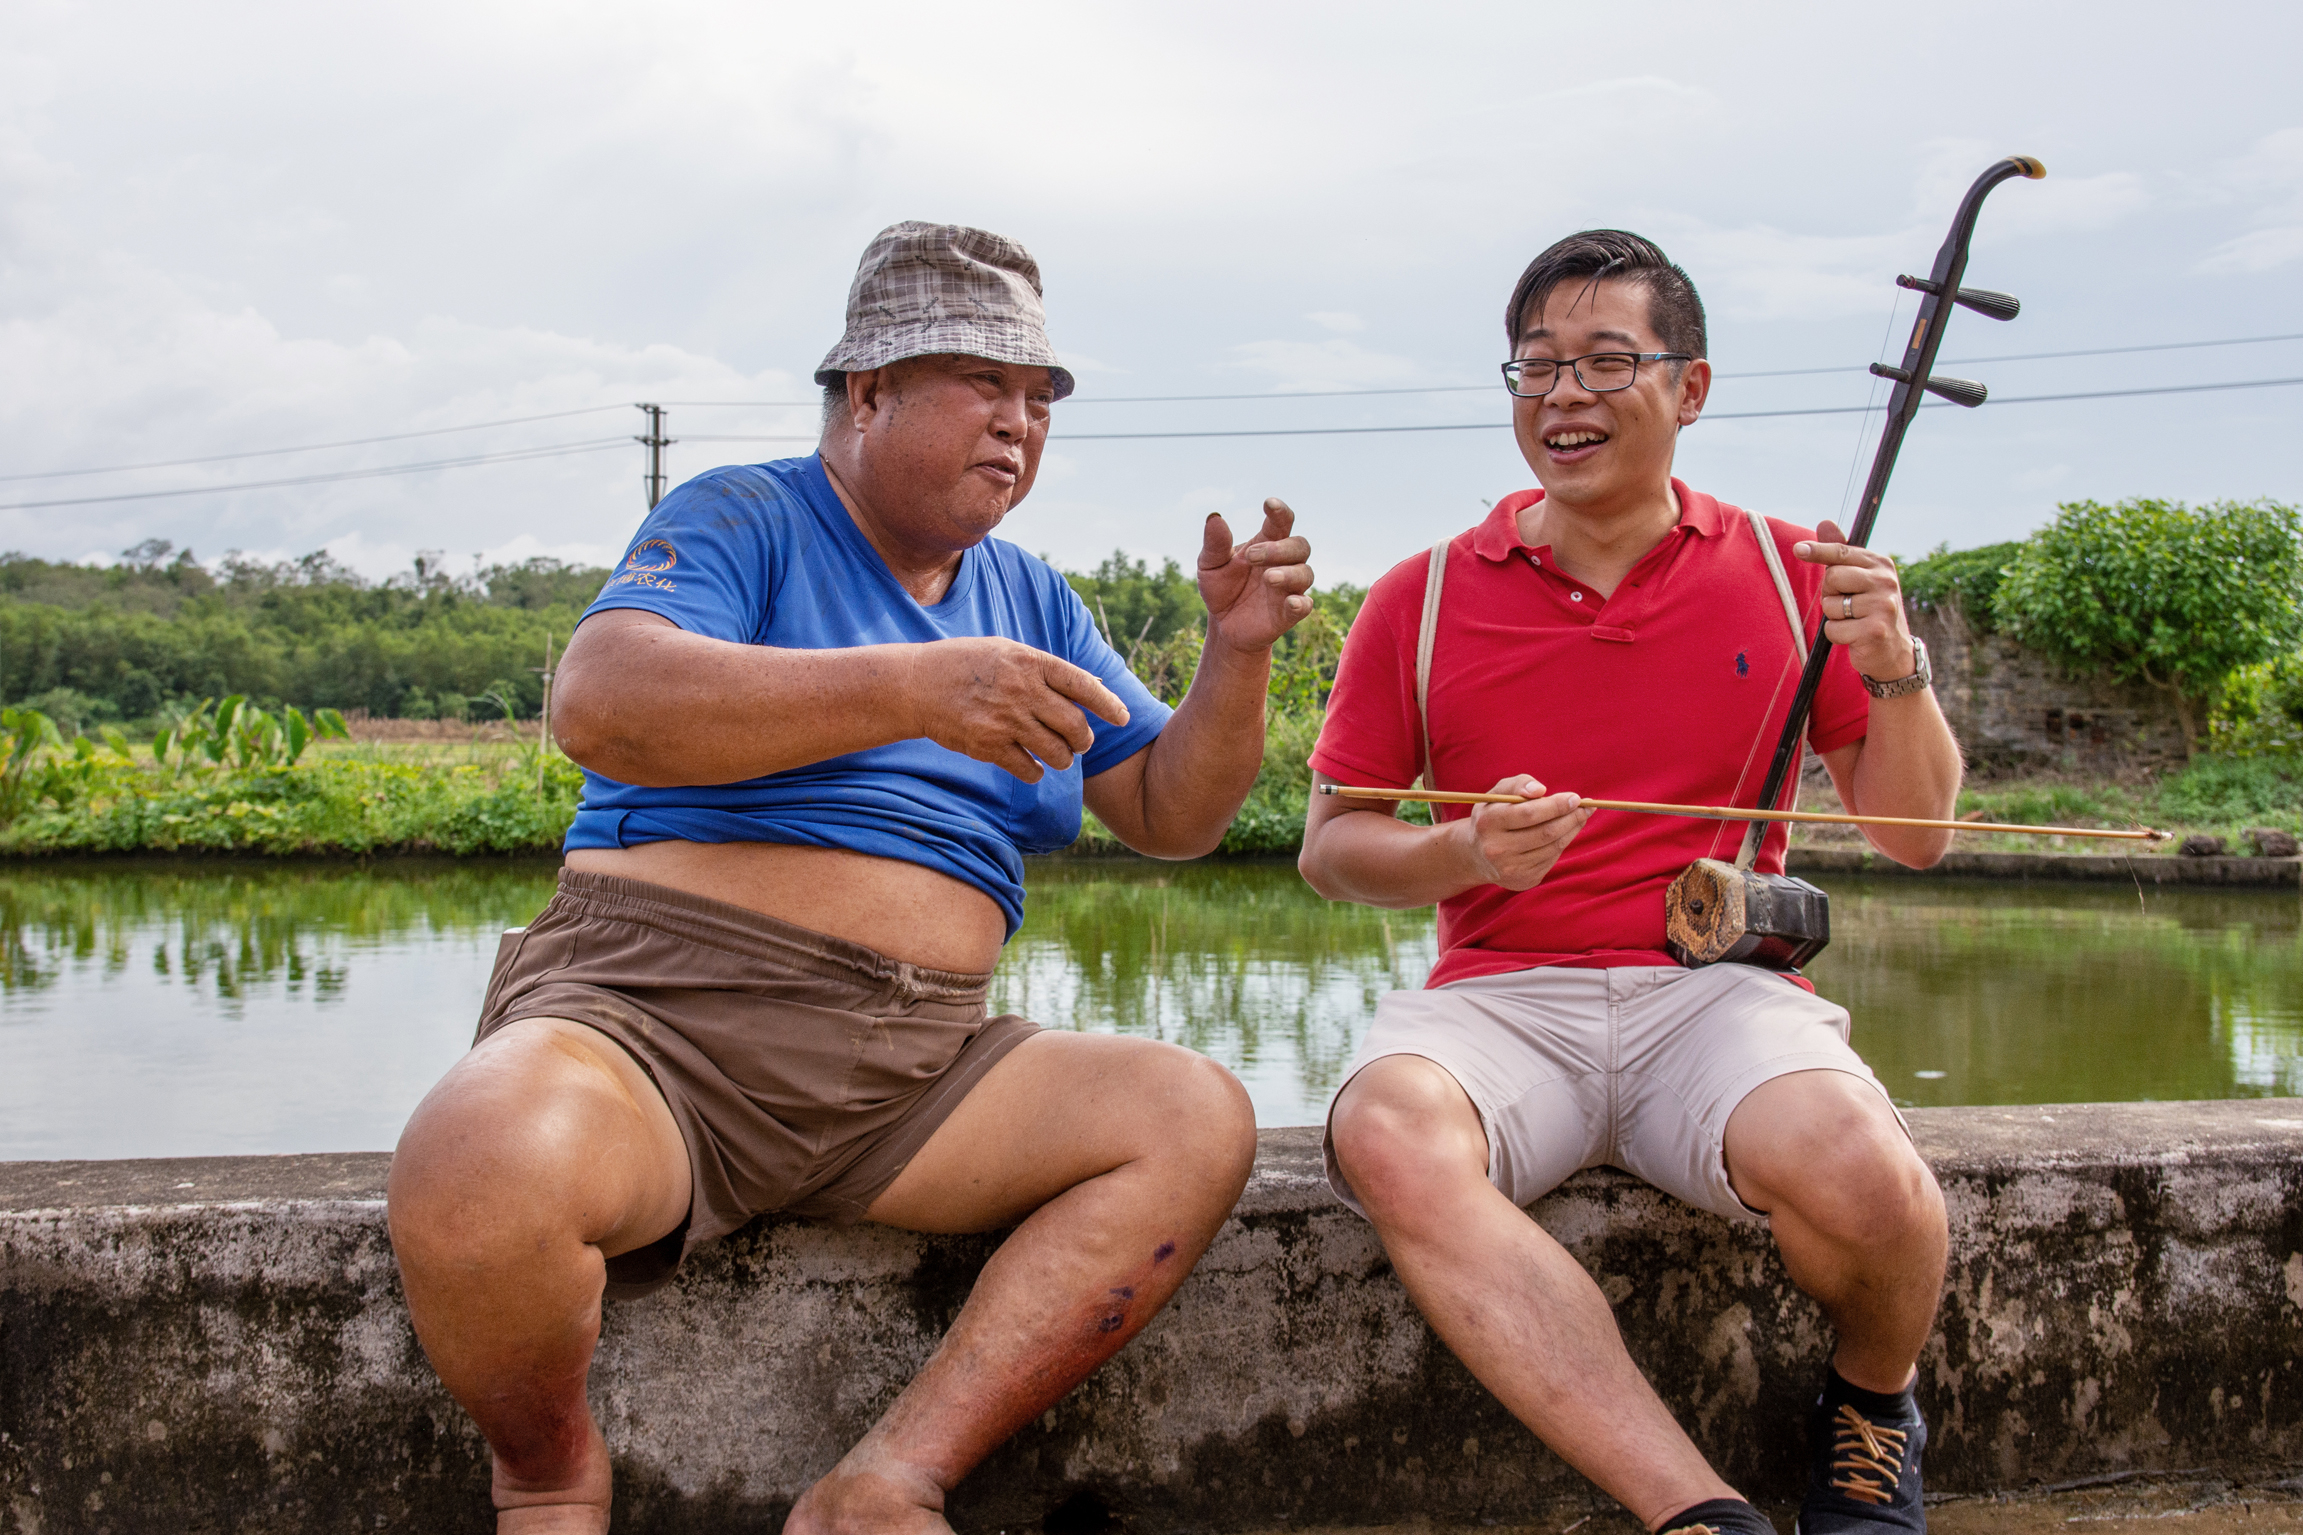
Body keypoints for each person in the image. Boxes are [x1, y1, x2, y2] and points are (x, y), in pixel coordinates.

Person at [386, 221, 1317, 1534]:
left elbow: (1172, 813)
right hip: (658, 1033)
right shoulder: (743, 515)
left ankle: (884, 1483)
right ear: (868, 391)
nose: (1020, 424)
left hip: (917, 1078)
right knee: (480, 1163)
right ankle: (546, 1474)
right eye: (983, 387)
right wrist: (913, 688)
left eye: (1040, 397)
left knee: (1189, 1115)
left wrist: (1237, 657)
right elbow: (598, 701)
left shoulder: (1031, 599)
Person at [1298, 230, 1960, 1535]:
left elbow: (1917, 832)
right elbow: (1333, 845)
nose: (1563, 397)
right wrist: (1466, 853)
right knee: (1384, 1132)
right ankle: (1699, 1514)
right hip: (1499, 1001)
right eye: (1536, 367)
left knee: (1868, 1172)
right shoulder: (1419, 599)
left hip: (1715, 998)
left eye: (1608, 362)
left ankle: (1874, 1411)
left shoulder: (1792, 576)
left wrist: (1892, 662)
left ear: (1691, 388)